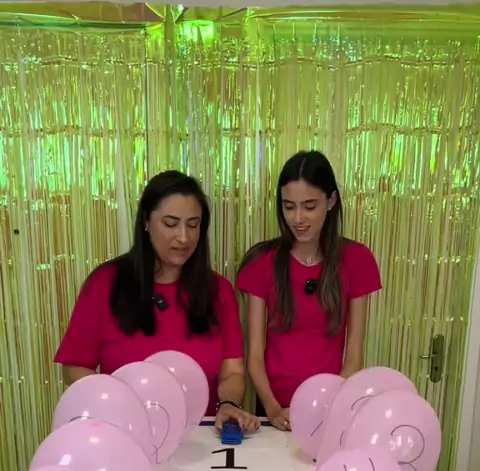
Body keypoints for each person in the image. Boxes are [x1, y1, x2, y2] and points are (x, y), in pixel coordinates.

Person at [55, 170, 259, 433]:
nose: (183, 237)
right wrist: (120, 406)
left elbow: (232, 372)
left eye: (193, 225)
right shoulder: (105, 284)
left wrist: (228, 404)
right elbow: (74, 368)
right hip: (126, 432)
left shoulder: (218, 291)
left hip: (201, 437)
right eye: (171, 224)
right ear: (146, 221)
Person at [237, 151, 382, 431]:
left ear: (331, 201)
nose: (298, 218)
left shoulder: (357, 260)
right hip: (273, 409)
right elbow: (254, 356)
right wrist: (272, 408)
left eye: (309, 206)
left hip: (329, 411)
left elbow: (354, 355)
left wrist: (329, 408)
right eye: (289, 206)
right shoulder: (261, 263)